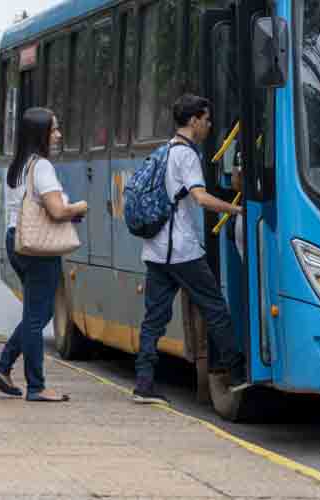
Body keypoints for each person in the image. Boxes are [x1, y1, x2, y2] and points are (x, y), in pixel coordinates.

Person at [134, 94, 246, 405]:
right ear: (194, 120)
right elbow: (200, 198)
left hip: (156, 250)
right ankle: (237, 374)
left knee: (154, 318)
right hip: (181, 251)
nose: (209, 125)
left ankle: (143, 382)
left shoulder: (165, 150)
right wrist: (236, 211)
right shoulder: (186, 156)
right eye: (207, 119)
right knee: (216, 310)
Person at [0, 107, 87, 403]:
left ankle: (3, 368)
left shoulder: (17, 166)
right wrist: (79, 208)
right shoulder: (41, 167)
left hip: (16, 241)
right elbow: (56, 210)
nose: (58, 135)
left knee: (37, 313)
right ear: (40, 134)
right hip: (38, 247)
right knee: (36, 316)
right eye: (53, 129)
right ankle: (36, 386)